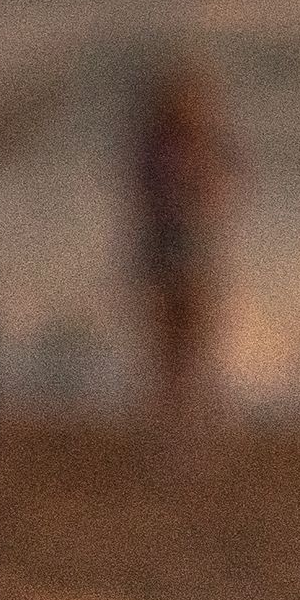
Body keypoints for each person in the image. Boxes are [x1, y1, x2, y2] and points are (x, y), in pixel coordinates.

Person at [128, 49, 233, 426]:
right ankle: (171, 419)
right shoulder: (158, 145)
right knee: (167, 343)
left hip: (193, 247)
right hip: (166, 245)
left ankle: (194, 418)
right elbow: (144, 197)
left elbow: (225, 194)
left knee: (196, 339)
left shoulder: (206, 145)